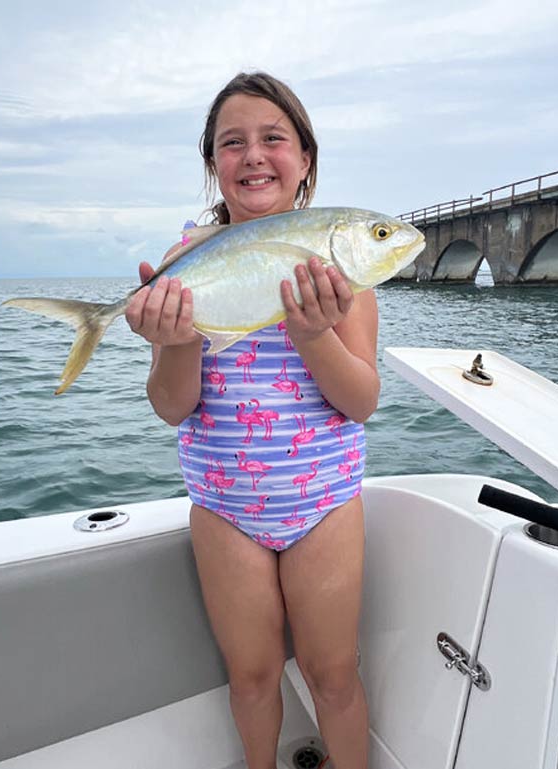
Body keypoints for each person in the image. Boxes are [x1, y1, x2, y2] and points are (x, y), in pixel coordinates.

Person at [125, 71, 376, 769]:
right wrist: (175, 340)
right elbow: (172, 405)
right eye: (232, 143)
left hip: (323, 500)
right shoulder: (184, 265)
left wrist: (313, 332)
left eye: (274, 138)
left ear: (305, 160)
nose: (254, 155)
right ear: (213, 165)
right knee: (253, 676)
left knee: (333, 675)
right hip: (224, 506)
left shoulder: (341, 269)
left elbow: (361, 400)